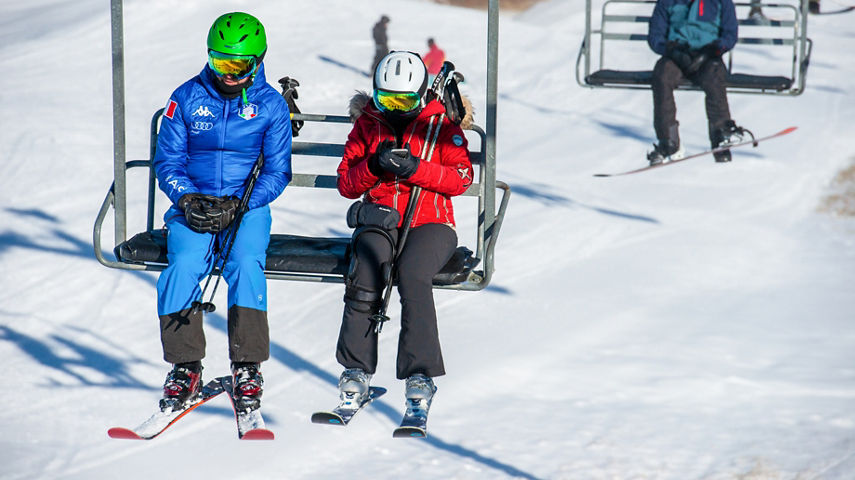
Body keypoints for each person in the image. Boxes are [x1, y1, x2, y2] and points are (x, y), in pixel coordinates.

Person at [152, 12, 292, 414]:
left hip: (245, 206)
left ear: (257, 60)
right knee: (182, 265)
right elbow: (168, 162)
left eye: (238, 65)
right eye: (220, 62)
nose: (229, 74)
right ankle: (185, 365)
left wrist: (240, 204)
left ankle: (247, 364)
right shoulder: (187, 97)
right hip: (194, 205)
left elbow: (278, 171)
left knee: (246, 263)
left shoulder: (270, 106)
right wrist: (186, 200)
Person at [334, 51, 473, 416]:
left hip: (432, 223)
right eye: (387, 100)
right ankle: (356, 371)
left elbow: (461, 178)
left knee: (413, 275)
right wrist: (373, 166)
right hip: (380, 220)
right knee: (366, 270)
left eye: (404, 101)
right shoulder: (368, 123)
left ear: (421, 94)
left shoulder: (441, 125)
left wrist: (417, 169)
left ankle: (420, 375)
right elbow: (347, 183)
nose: (394, 109)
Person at [647, 0, 748, 165]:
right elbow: (655, 35)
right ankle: (668, 141)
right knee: (662, 75)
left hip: (707, 57)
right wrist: (671, 50)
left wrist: (713, 50)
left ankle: (720, 134)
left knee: (714, 77)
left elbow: (730, 34)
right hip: (677, 56)